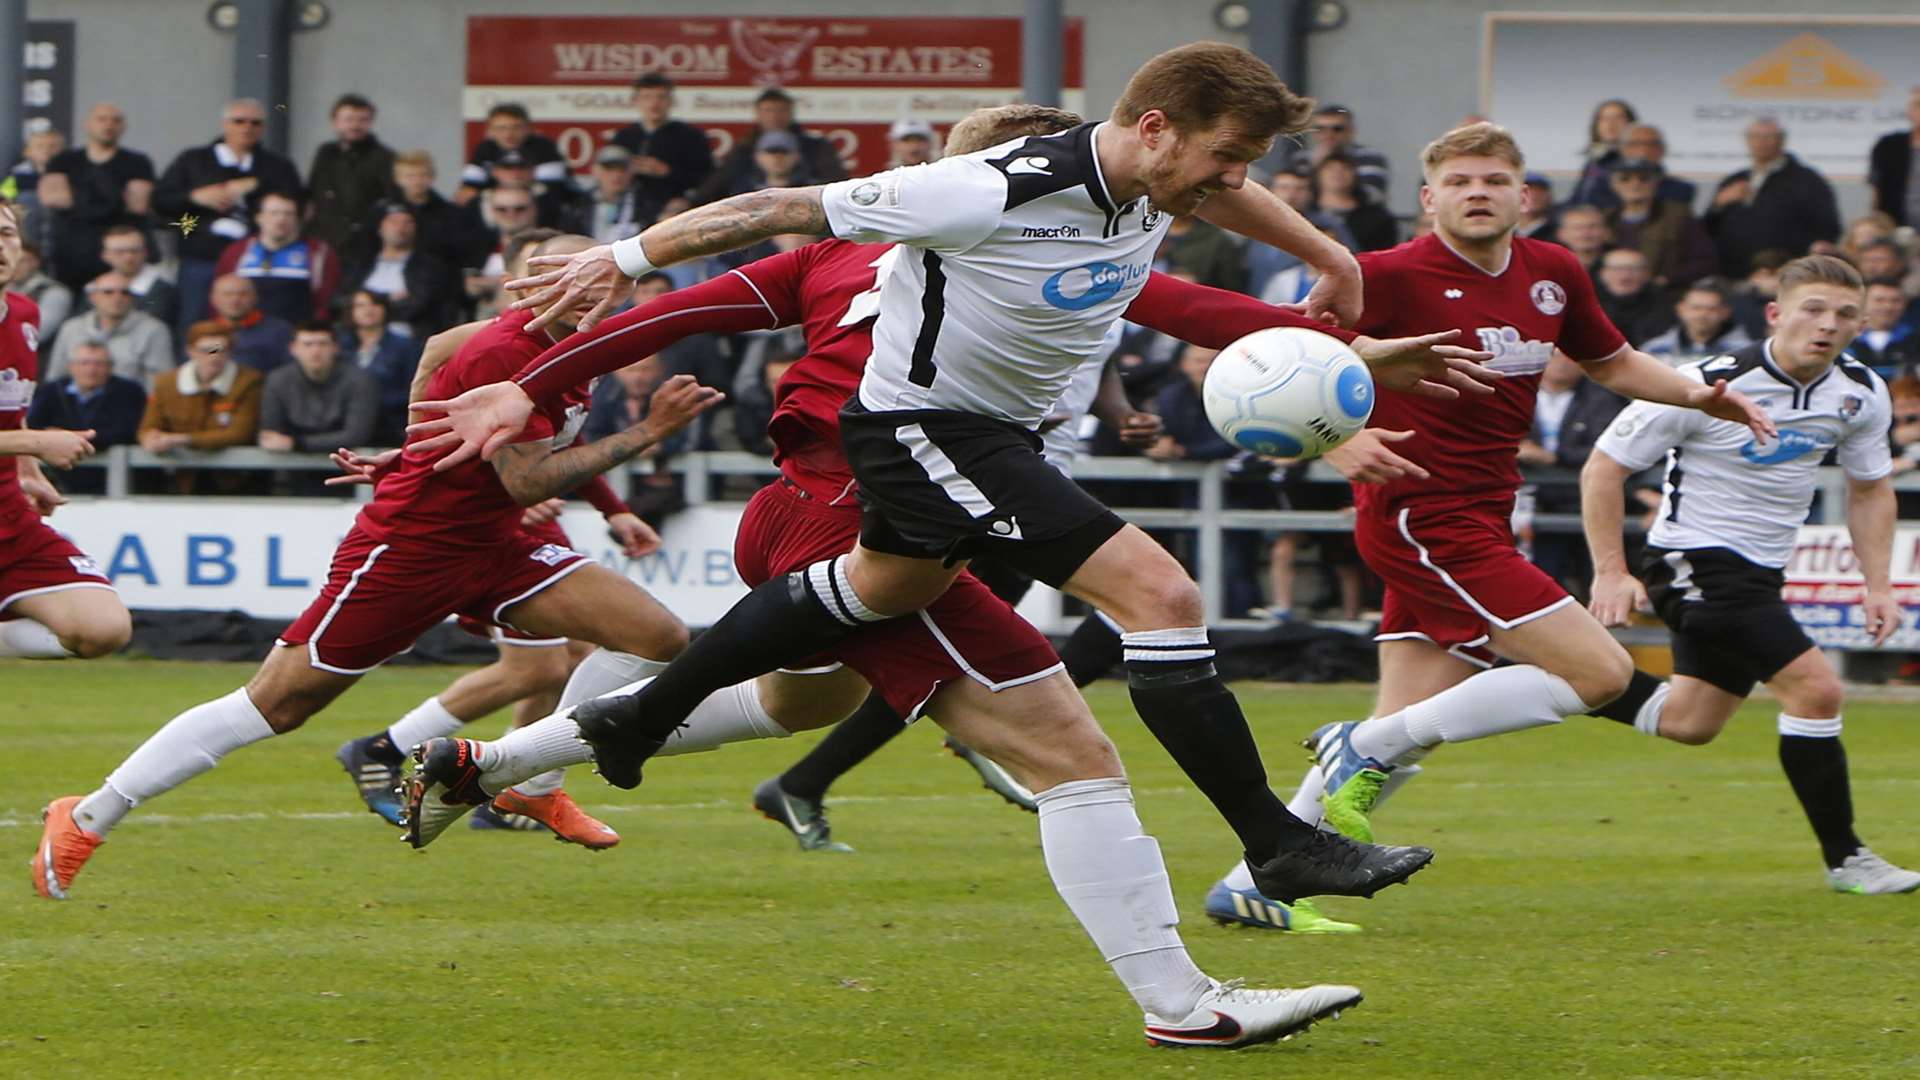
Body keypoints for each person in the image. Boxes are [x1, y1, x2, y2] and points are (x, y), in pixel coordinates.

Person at [403, 103, 1505, 1037]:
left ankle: (489, 765)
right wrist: (529, 375)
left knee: (794, 701)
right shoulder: (979, 229)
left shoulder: (908, 248)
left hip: (820, 508)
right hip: (860, 501)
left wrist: (1344, 339)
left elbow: (1188, 301)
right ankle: (1184, 1000)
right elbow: (1188, 302)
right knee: (1072, 751)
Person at [28, 233, 725, 902]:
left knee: (655, 636)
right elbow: (523, 479)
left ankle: (532, 784)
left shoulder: (573, 344)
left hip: (493, 545)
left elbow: (435, 349)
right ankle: (88, 814)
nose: (615, 291)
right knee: (276, 704)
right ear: (547, 282)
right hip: (411, 547)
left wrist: (415, 442)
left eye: (619, 277)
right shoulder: (504, 349)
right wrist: (648, 432)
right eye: (598, 276)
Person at [1195, 122, 1773, 921]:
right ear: (1429, 199)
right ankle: (1360, 753)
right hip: (1420, 514)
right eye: (1460, 182)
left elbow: (1610, 362)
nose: (1478, 193)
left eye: (1494, 181)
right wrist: (1338, 443)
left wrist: (1696, 393)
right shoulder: (1384, 275)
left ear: (1524, 196)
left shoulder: (1553, 271)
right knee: (1598, 676)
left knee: (1407, 718)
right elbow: (1278, 360)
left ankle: (1254, 882)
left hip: (1486, 511)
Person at [1581, 254, 1919, 895]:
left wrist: (1878, 586)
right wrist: (1610, 571)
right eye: (1812, 309)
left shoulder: (1860, 391)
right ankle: (1847, 859)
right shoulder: (1704, 382)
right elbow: (1604, 468)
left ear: (1862, 323)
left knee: (1689, 722)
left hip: (1759, 574)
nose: (1827, 324)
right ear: (1775, 314)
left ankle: (1534, 672)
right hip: (1694, 561)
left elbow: (1872, 490)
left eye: (1845, 314)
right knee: (1818, 691)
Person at [0, 196, 131, 664]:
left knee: (105, 630)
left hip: (8, 518)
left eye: (7, 233)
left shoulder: (24, 315)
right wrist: (38, 442)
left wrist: (28, 469)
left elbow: (12, 409)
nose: (0, 245)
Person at [153, 98, 304, 330]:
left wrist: (256, 185)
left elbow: (296, 202)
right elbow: (160, 201)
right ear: (225, 124)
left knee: (260, 322)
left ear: (263, 128)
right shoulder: (193, 160)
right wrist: (194, 198)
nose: (247, 128)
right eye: (239, 121)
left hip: (257, 259)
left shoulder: (276, 166)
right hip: (202, 258)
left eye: (255, 123)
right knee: (196, 323)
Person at [1514, 350, 1627, 587]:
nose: (1563, 363)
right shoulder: (1515, 394)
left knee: (1595, 577)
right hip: (1528, 500)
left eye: (1571, 357)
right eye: (1555, 356)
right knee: (1536, 580)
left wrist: (1552, 457)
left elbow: (1610, 448)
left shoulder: (1602, 399)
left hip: (1586, 499)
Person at [35, 103, 155, 292]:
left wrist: (78, 195)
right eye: (101, 119)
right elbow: (53, 198)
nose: (108, 125)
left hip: (119, 253)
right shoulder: (64, 160)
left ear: (123, 127)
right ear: (88, 124)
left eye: (115, 120)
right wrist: (113, 197)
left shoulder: (137, 162)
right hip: (72, 251)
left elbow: (137, 205)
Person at [1704, 119, 1841, 279]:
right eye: (1755, 137)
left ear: (1781, 140)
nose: (1761, 143)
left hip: (1786, 272)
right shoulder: (1733, 180)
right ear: (1747, 141)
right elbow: (1707, 228)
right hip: (1733, 273)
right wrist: (1718, 204)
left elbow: (1827, 226)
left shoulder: (1807, 180)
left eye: (1769, 137)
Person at [138, 321, 264, 478]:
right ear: (190, 351)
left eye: (220, 350)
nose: (214, 357)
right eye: (206, 350)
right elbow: (149, 426)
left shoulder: (248, 381)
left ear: (230, 352)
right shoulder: (167, 383)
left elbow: (239, 433)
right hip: (181, 474)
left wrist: (181, 439)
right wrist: (150, 438)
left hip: (233, 475)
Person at [696, 87, 844, 204]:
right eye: (768, 110)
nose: (775, 116)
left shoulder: (815, 146)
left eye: (781, 110)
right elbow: (721, 183)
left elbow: (834, 183)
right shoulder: (745, 148)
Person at [214, 191, 340, 325]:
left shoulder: (319, 253)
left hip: (298, 335)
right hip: (244, 334)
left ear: (299, 218)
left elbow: (325, 299)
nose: (281, 219)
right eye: (274, 213)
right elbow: (220, 296)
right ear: (258, 217)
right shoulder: (237, 252)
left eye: (288, 214)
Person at [257, 322, 380, 453]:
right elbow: (270, 435)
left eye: (323, 344)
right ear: (293, 349)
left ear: (335, 348)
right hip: (291, 464)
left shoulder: (360, 380)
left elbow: (356, 435)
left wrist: (296, 443)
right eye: (307, 344)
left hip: (349, 460)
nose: (316, 351)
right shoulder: (277, 380)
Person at [608, 73, 714, 221]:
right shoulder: (624, 137)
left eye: (661, 97)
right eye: (647, 97)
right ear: (636, 101)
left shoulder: (691, 137)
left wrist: (667, 172)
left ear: (670, 101)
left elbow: (707, 179)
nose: (654, 104)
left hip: (674, 210)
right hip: (629, 210)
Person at [335, 204, 452, 337]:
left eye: (407, 222)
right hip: (357, 336)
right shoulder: (360, 264)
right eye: (393, 222)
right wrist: (389, 298)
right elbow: (340, 300)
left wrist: (367, 306)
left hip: (408, 336)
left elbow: (420, 305)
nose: (400, 228)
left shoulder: (428, 266)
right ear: (380, 227)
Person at [1601, 157, 1716, 289]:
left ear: (1656, 183)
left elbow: (1705, 260)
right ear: (1613, 185)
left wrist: (1666, 280)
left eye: (1644, 179)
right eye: (1625, 179)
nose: (1635, 184)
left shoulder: (1678, 216)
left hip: (1664, 295)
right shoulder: (1603, 219)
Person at [44, 271, 173, 387]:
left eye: (125, 293)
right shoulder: (71, 328)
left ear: (133, 298)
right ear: (93, 297)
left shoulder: (154, 330)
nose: (117, 298)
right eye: (108, 292)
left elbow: (159, 382)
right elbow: (56, 376)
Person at [305, 93, 396, 256]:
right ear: (335, 122)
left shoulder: (385, 158)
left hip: (365, 245)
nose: (355, 125)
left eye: (362, 120)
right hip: (324, 242)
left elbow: (392, 201)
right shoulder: (325, 153)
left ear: (371, 123)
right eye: (349, 119)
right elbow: (312, 193)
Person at [27, 339, 146, 453]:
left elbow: (126, 432)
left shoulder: (128, 392)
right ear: (71, 366)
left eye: (99, 364)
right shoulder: (50, 391)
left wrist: (67, 437)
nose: (91, 370)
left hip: (110, 464)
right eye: (84, 363)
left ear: (110, 367)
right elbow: (32, 425)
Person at [338, 289, 421, 438]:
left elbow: (415, 389)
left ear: (385, 309)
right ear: (350, 311)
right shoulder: (340, 346)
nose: (368, 310)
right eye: (361, 305)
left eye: (375, 304)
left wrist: (372, 403)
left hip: (391, 422)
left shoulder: (406, 346)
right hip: (343, 420)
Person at [455, 103, 568, 208]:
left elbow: (550, 193)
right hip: (497, 209)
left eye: (516, 127)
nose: (508, 134)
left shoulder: (544, 148)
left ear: (528, 129)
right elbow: (467, 191)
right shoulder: (485, 149)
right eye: (501, 128)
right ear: (490, 131)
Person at [1280, 104, 1390, 202]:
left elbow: (1373, 195)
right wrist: (1317, 164)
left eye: (1337, 129)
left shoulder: (1370, 157)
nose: (1328, 134)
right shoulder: (1302, 159)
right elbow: (1296, 195)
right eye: (1320, 129)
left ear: (1352, 131)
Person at [1641, 280, 1755, 366]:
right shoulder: (1655, 349)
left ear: (1725, 312)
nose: (1702, 314)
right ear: (1680, 309)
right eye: (1696, 308)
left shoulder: (1745, 352)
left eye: (1711, 309)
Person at [1585, 124, 1696, 211]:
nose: (1644, 150)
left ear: (1662, 150)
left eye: (1652, 144)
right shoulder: (1599, 188)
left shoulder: (1681, 190)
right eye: (1636, 143)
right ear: (1622, 148)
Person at [208, 273, 293, 373]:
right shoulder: (206, 332)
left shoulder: (279, 331)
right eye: (227, 294)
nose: (235, 300)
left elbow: (289, 371)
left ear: (255, 297)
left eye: (243, 294)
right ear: (213, 299)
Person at [1313, 154, 1397, 252]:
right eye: (1330, 169)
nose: (1338, 173)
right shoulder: (1304, 214)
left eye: (1345, 168)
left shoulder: (1377, 217)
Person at [1594, 247, 1676, 346]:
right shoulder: (1588, 302)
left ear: (1646, 274)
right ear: (1602, 274)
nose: (1625, 276)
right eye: (1616, 269)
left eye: (1633, 269)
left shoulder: (1662, 302)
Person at [98, 225, 176, 328]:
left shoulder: (163, 289)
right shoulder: (94, 286)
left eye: (134, 251)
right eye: (119, 252)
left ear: (146, 252)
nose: (128, 257)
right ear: (105, 255)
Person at [570, 145, 648, 245]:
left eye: (622, 169)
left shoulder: (645, 207)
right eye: (609, 169)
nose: (616, 175)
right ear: (595, 170)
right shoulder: (578, 206)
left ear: (631, 172)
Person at [1866, 86, 1920, 228]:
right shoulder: (1889, 146)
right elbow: (1876, 193)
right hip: (1895, 231)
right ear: (1909, 110)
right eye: (1917, 105)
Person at [1568, 98, 1636, 206]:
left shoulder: (1636, 162)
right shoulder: (1594, 162)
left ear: (1631, 123)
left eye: (1618, 118)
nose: (1610, 124)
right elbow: (1577, 199)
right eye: (1604, 118)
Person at [1850, 277, 1920, 379]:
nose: (1888, 306)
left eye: (1895, 301)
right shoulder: (1845, 340)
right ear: (1862, 303)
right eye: (1879, 300)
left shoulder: (1915, 340)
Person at [11, 242, 72, 341]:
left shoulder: (55, 292)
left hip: (38, 354)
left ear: (35, 262)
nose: (15, 266)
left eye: (21, 261)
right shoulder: (5, 288)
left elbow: (36, 333)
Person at [1554, 204, 1608, 273]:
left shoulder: (1620, 263)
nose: (1586, 233)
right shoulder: (1552, 264)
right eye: (1578, 228)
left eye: (1592, 227)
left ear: (1605, 231)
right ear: (1561, 234)